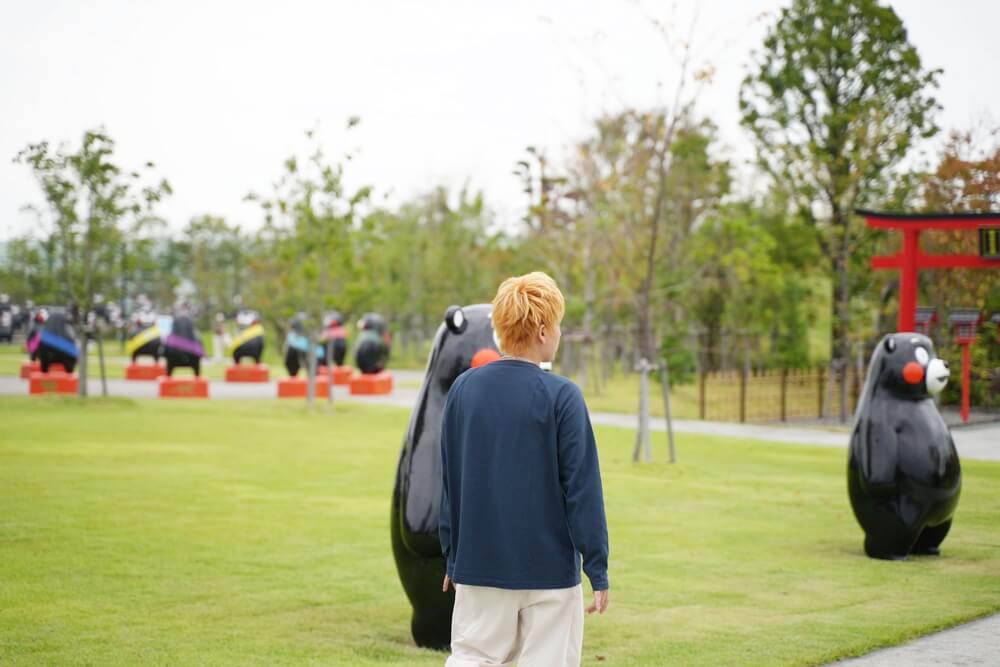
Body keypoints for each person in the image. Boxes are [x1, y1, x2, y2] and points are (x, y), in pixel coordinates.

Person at [439, 271, 609, 667]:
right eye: (561, 326)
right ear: (545, 331)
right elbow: (582, 490)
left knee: (473, 658)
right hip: (549, 572)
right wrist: (597, 567)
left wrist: (451, 554)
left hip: (479, 564)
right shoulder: (563, 396)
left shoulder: (464, 389)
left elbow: (450, 480)